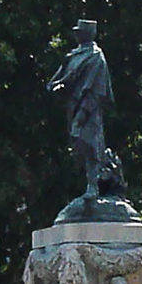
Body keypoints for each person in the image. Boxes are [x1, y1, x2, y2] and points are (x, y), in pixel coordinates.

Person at [46, 18, 113, 199]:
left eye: (79, 31)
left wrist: (85, 109)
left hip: (88, 107)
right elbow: (58, 79)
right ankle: (95, 181)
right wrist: (57, 87)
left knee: (89, 143)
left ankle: (95, 185)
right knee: (78, 146)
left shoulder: (96, 56)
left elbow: (97, 88)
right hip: (73, 106)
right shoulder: (73, 56)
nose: (76, 35)